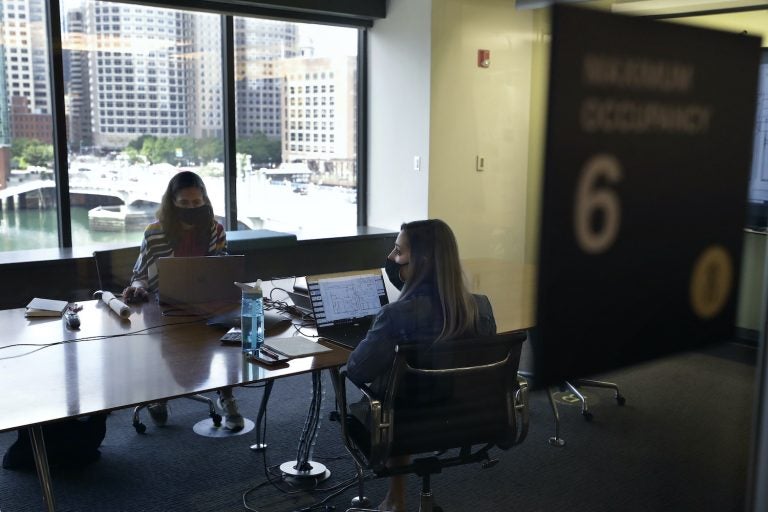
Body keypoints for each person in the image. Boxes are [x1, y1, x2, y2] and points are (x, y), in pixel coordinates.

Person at [346, 219, 496, 512]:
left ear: (423, 261)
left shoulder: (394, 315)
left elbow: (356, 371)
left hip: (401, 427)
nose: (390, 258)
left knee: (394, 397)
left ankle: (395, 501)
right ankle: (395, 498)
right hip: (466, 419)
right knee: (406, 393)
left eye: (398, 252)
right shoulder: (481, 307)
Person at [122, 170, 244, 431]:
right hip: (164, 306)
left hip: (206, 304)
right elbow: (140, 274)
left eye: (196, 203)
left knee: (224, 336)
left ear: (205, 201)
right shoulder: (154, 233)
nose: (192, 208)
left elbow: (221, 268)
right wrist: (137, 287)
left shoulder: (215, 230)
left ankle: (227, 396)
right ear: (172, 203)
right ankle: (159, 393)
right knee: (166, 346)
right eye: (185, 204)